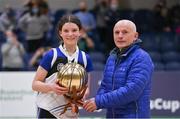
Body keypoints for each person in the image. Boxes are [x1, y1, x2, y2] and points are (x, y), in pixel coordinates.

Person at [83, 20, 154, 118]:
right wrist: (92, 101)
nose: (120, 36)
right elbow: (105, 86)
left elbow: (131, 91)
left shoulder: (142, 58)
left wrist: (98, 101)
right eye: (117, 32)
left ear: (135, 36)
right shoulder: (112, 58)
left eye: (125, 32)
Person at [32, 14, 93, 118]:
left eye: (74, 30)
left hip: (70, 111)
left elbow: (86, 88)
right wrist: (51, 87)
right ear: (60, 33)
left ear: (80, 32)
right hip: (48, 109)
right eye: (66, 31)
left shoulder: (85, 58)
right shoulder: (52, 55)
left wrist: (77, 96)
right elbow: (35, 84)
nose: (70, 34)